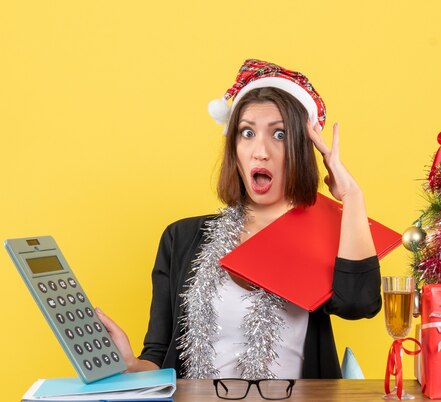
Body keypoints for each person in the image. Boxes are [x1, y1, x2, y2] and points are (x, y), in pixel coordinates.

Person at [96, 59, 382, 379]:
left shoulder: (323, 234)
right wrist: (130, 365)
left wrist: (352, 198)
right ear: (234, 147)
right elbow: (158, 358)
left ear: (302, 148)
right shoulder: (181, 238)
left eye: (280, 134)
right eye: (247, 133)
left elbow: (360, 304)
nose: (260, 151)